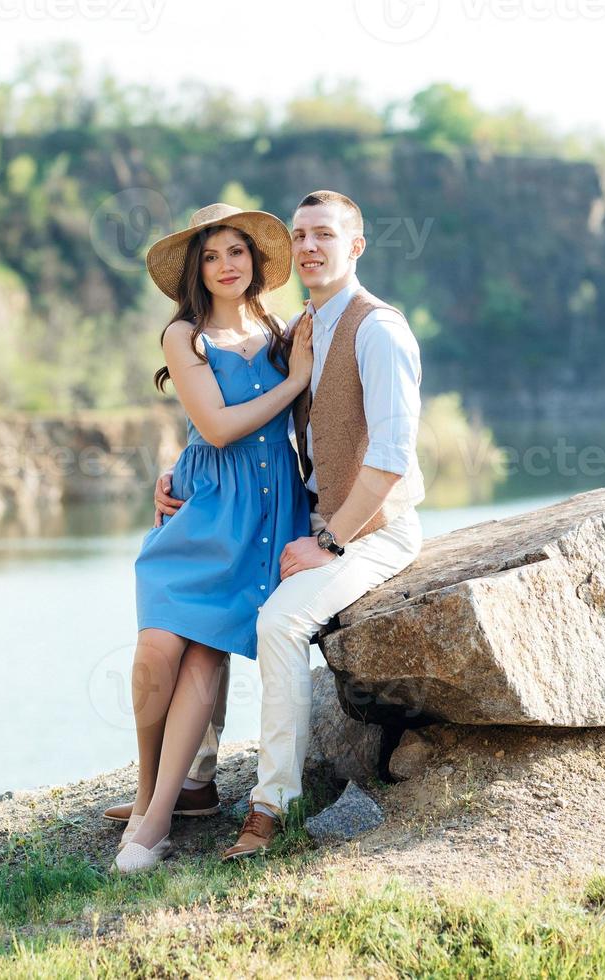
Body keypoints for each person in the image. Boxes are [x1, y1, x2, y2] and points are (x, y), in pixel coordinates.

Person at [154, 190, 427, 861]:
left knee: (279, 623)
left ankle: (272, 804)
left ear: (355, 246)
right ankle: (192, 778)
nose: (309, 247)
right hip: (308, 514)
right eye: (300, 235)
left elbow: (391, 459)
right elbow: (236, 414)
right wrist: (178, 479)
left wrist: (330, 539)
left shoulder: (379, 330)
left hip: (372, 528)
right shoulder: (298, 327)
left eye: (324, 235)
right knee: (214, 589)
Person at [114, 203, 314, 874]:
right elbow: (221, 427)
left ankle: (158, 820)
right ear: (196, 271)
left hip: (264, 512)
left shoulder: (280, 328)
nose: (226, 265)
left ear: (254, 262)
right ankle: (148, 796)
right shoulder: (185, 336)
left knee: (204, 658)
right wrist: (293, 383)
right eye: (211, 255)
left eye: (237, 251)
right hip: (205, 512)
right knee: (155, 652)